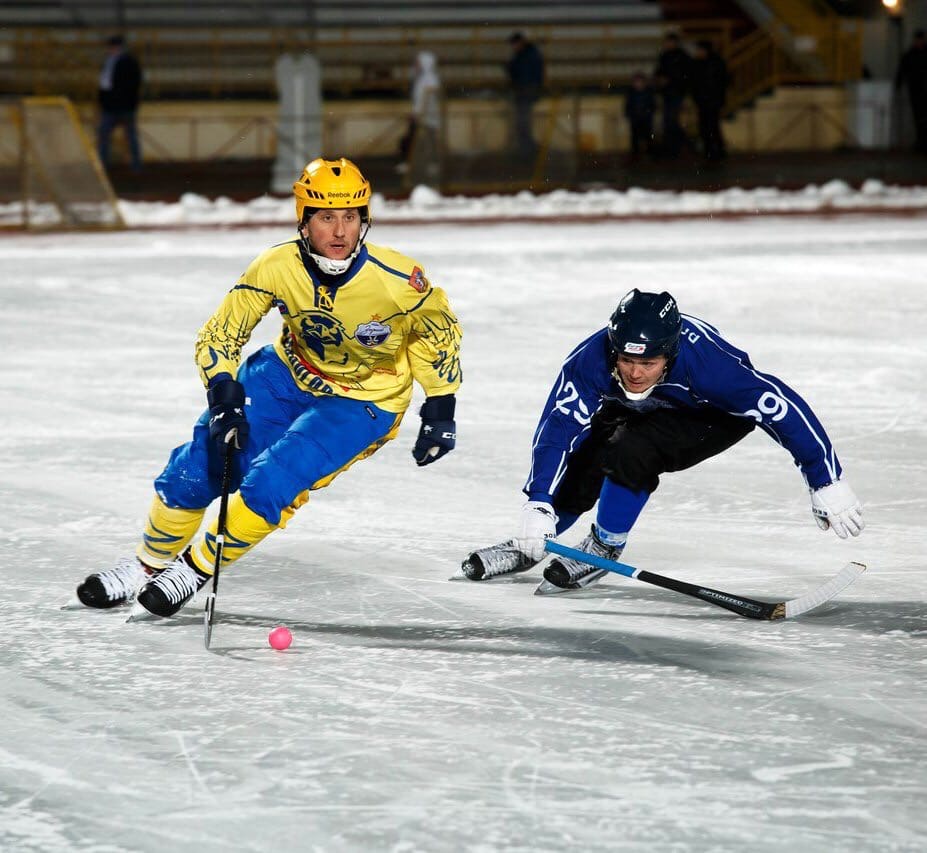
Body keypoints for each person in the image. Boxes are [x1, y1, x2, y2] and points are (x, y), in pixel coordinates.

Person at [74, 157, 463, 619]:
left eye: (351, 216)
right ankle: (146, 566)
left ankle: (194, 569)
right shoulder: (276, 266)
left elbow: (436, 335)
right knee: (199, 465)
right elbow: (222, 333)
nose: (340, 231)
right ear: (303, 221)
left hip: (364, 399)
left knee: (273, 480)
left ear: (364, 220)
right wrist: (223, 396)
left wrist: (440, 406)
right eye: (325, 217)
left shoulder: (399, 279)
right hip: (285, 373)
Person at [462, 289, 863, 594]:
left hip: (707, 416)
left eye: (648, 363)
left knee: (631, 446)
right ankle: (532, 541)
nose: (635, 373)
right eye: (626, 361)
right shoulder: (591, 359)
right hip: (645, 407)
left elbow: (782, 409)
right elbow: (557, 429)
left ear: (669, 356)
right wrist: (538, 502)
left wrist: (825, 479)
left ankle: (604, 547)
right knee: (587, 453)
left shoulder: (712, 368)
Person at [97, 35, 143, 172]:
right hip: (112, 106)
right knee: (107, 135)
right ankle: (104, 164)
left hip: (122, 106)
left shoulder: (128, 62)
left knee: (128, 136)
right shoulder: (110, 62)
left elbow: (133, 84)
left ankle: (135, 165)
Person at [397, 50, 443, 185]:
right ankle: (409, 162)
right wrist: (415, 112)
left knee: (430, 141)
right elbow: (419, 99)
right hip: (420, 115)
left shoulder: (431, 79)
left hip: (428, 116)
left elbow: (428, 98)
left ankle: (432, 165)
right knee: (414, 139)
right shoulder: (421, 79)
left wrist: (418, 112)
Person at [505, 32, 545, 158]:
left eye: (515, 44)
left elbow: (523, 74)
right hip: (525, 91)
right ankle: (527, 149)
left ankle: (528, 151)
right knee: (523, 123)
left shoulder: (527, 56)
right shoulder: (527, 55)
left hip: (526, 91)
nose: (513, 47)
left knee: (523, 123)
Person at [653, 33, 692, 159]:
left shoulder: (682, 56)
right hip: (667, 92)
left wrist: (669, 80)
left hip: (677, 92)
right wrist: (659, 80)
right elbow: (659, 71)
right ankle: (674, 147)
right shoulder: (664, 55)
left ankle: (679, 146)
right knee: (668, 121)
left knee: (670, 120)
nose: (666, 44)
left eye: (668, 42)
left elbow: (685, 75)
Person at [690, 40, 729, 162]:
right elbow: (694, 82)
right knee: (704, 126)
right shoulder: (697, 63)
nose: (698, 52)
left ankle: (717, 150)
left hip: (713, 101)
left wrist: (718, 98)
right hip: (702, 101)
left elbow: (723, 81)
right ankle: (709, 150)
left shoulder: (716, 63)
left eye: (700, 50)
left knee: (712, 126)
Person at [894, 30, 927, 154]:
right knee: (918, 117)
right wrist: (898, 85)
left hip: (924, 90)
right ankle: (921, 142)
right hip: (916, 91)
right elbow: (902, 70)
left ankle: (923, 142)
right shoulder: (910, 55)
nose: (919, 42)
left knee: (923, 118)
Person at [624, 72, 656, 160]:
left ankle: (650, 153)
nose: (638, 84)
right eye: (636, 82)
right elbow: (628, 105)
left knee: (648, 136)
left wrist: (647, 113)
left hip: (646, 119)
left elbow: (652, 105)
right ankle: (635, 154)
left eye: (640, 82)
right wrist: (629, 114)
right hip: (635, 119)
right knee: (635, 136)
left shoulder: (648, 92)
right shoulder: (631, 92)